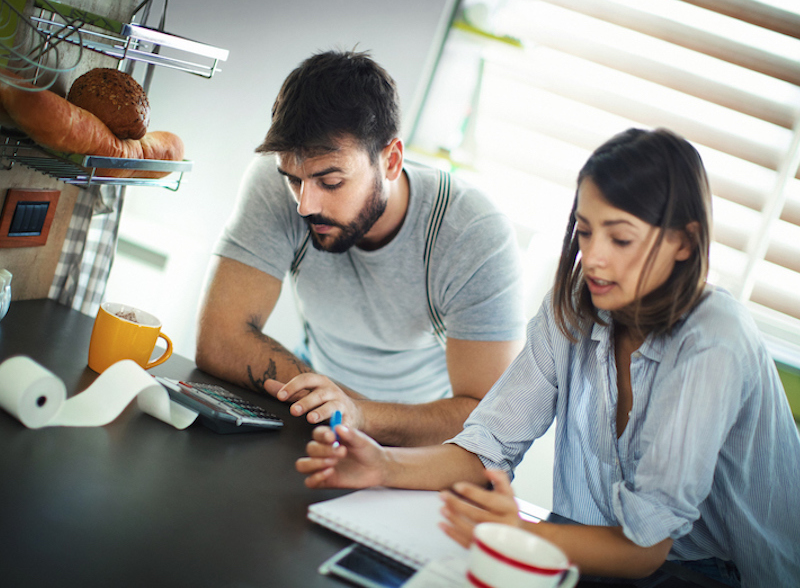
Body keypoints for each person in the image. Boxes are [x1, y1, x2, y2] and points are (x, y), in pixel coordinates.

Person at [296, 128, 800, 587]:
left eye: (620, 238)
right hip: (590, 548)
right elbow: (488, 443)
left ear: (683, 244)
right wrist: (384, 465)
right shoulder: (580, 302)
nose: (595, 256)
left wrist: (515, 532)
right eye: (585, 231)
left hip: (713, 572)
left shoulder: (714, 338)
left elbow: (646, 550)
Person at [195, 50, 525, 447]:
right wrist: (338, 407)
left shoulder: (472, 233)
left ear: (391, 160)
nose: (305, 205)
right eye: (294, 180)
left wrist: (359, 413)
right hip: (316, 412)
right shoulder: (277, 181)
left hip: (419, 442)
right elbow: (218, 338)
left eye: (331, 183)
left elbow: (485, 417)